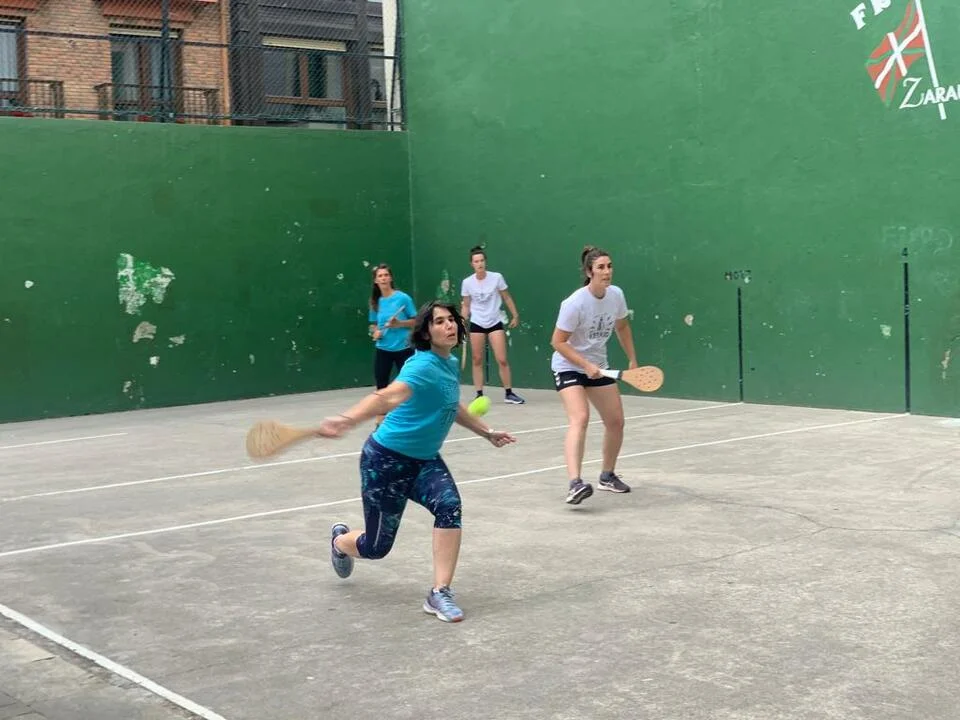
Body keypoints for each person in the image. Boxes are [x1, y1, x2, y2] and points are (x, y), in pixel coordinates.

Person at [321, 300, 517, 623]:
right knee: (376, 547)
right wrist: (349, 418)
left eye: (451, 319)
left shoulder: (448, 362)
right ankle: (340, 542)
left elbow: (451, 404)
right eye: (439, 322)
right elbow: (388, 395)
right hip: (385, 463)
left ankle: (440, 592)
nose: (449, 325)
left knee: (449, 505)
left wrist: (487, 432)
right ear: (426, 332)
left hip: (424, 461)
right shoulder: (421, 366)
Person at [549, 246, 638, 505]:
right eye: (600, 267)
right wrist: (584, 364)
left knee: (616, 422)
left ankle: (607, 476)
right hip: (568, 366)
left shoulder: (616, 295)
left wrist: (632, 359)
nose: (607, 271)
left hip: (600, 366)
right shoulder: (574, 303)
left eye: (609, 266)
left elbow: (622, 326)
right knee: (580, 418)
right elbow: (557, 341)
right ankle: (575, 484)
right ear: (589, 272)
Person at [460, 246, 525, 405]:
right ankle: (479, 394)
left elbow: (507, 297)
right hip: (477, 323)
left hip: (495, 321)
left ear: (485, 262)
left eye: (482, 260)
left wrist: (515, 315)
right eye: (476, 261)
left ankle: (509, 393)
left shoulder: (496, 278)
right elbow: (466, 305)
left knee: (502, 359)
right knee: (477, 359)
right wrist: (462, 322)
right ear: (472, 264)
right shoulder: (467, 282)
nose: (480, 264)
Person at [367, 263, 417, 426]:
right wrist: (375, 332)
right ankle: (381, 422)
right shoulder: (375, 302)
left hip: (404, 348)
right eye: (380, 276)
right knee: (381, 385)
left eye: (386, 275)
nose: (383, 278)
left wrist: (399, 324)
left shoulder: (403, 298)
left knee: (407, 384)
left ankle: (410, 418)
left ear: (391, 278)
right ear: (376, 281)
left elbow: (416, 321)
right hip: (383, 349)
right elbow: (373, 325)